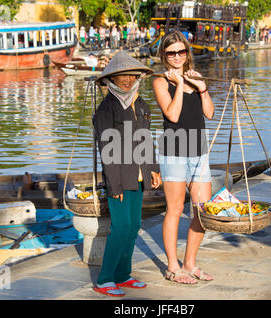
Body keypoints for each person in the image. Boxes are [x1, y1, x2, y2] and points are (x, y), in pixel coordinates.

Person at [92, 51, 162, 297]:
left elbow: (146, 141)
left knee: (134, 226)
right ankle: (105, 279)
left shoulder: (140, 104)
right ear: (112, 77)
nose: (127, 80)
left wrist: (154, 169)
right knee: (120, 227)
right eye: (122, 75)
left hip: (139, 176)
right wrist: (114, 186)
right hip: (119, 178)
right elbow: (106, 151)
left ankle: (123, 275)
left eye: (131, 74)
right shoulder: (106, 109)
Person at [152, 31, 214, 284]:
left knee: (202, 211)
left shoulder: (195, 76)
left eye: (181, 51)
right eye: (171, 53)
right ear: (164, 56)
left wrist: (202, 88)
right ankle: (173, 267)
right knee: (175, 209)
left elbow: (209, 113)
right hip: (173, 150)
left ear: (187, 53)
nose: (177, 56)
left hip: (199, 150)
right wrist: (178, 84)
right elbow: (173, 115)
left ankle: (190, 263)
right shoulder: (159, 81)